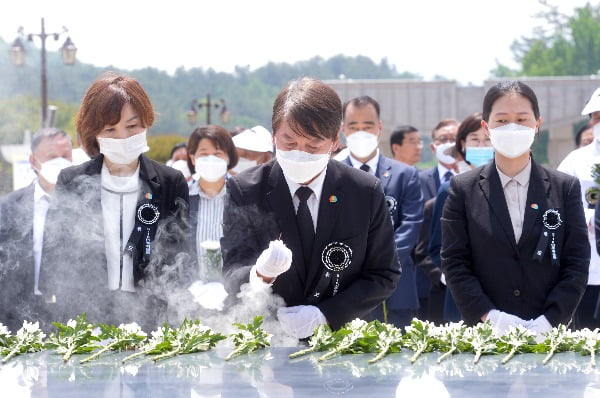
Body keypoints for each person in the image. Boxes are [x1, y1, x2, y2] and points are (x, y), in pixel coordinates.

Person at [221, 77, 401, 338]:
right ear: (273, 136)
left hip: (343, 337)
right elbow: (230, 270)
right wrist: (259, 274)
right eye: (289, 142)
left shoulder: (363, 191)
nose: (300, 153)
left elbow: (384, 273)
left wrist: (326, 315)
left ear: (334, 141)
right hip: (267, 337)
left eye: (313, 145)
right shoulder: (246, 190)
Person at [40, 72, 192, 329]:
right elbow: (55, 253)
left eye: (132, 127)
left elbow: (181, 255)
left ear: (146, 123)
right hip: (87, 318)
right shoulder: (72, 180)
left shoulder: (170, 182)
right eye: (110, 129)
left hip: (152, 319)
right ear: (94, 135)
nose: (122, 138)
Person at [441, 80, 589, 338]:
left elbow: (576, 262)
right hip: (486, 337)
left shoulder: (565, 187)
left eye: (522, 119)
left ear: (537, 125)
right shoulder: (462, 189)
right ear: (486, 128)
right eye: (502, 120)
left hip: (552, 335)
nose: (512, 127)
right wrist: (492, 318)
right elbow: (454, 262)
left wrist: (550, 321)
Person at [340, 96, 423, 328]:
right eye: (353, 127)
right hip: (347, 290)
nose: (361, 132)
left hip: (397, 290)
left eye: (367, 126)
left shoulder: (405, 174)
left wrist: (381, 260)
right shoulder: (331, 174)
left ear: (379, 127)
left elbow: (411, 223)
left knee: (401, 358)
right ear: (343, 130)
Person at [0, 128, 73, 332]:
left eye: (66, 156)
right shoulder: (8, 207)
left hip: (69, 317)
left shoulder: (85, 205)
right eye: (52, 157)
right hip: (16, 316)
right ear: (33, 161)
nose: (61, 163)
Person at [427, 112, 492, 323]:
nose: (482, 146)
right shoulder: (450, 189)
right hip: (462, 299)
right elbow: (437, 248)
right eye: (475, 139)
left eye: (488, 139)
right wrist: (462, 279)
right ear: (462, 144)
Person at [557, 86, 600, 329]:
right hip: (587, 264)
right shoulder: (576, 160)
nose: (599, 121)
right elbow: (556, 203)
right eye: (596, 116)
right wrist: (590, 218)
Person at [414, 118, 459, 321]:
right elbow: (417, 240)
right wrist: (442, 276)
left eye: (454, 139)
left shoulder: (478, 180)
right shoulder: (415, 181)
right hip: (430, 286)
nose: (449, 143)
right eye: (443, 139)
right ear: (433, 146)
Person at [186, 125, 238, 279]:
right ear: (192, 158)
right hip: (190, 295)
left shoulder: (241, 198)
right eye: (204, 153)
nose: (211, 159)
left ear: (228, 158)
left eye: (218, 153)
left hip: (234, 295)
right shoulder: (182, 200)